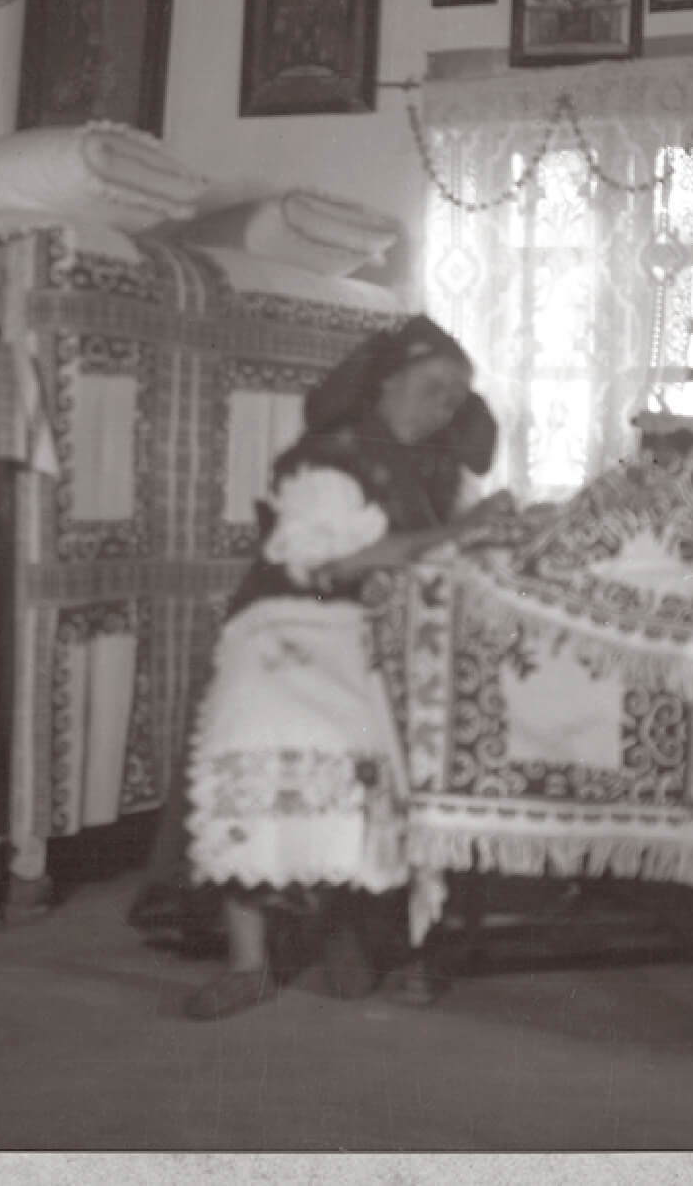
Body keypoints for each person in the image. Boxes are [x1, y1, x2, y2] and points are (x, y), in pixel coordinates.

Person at [132, 315, 507, 1021]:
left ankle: (336, 913)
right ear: (388, 383)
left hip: (368, 631)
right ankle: (247, 959)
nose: (443, 409)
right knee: (262, 735)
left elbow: (433, 561)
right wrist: (462, 533)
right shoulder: (327, 458)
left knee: (381, 746)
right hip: (285, 620)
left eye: (455, 399)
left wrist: (487, 536)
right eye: (433, 390)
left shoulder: (428, 469)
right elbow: (330, 565)